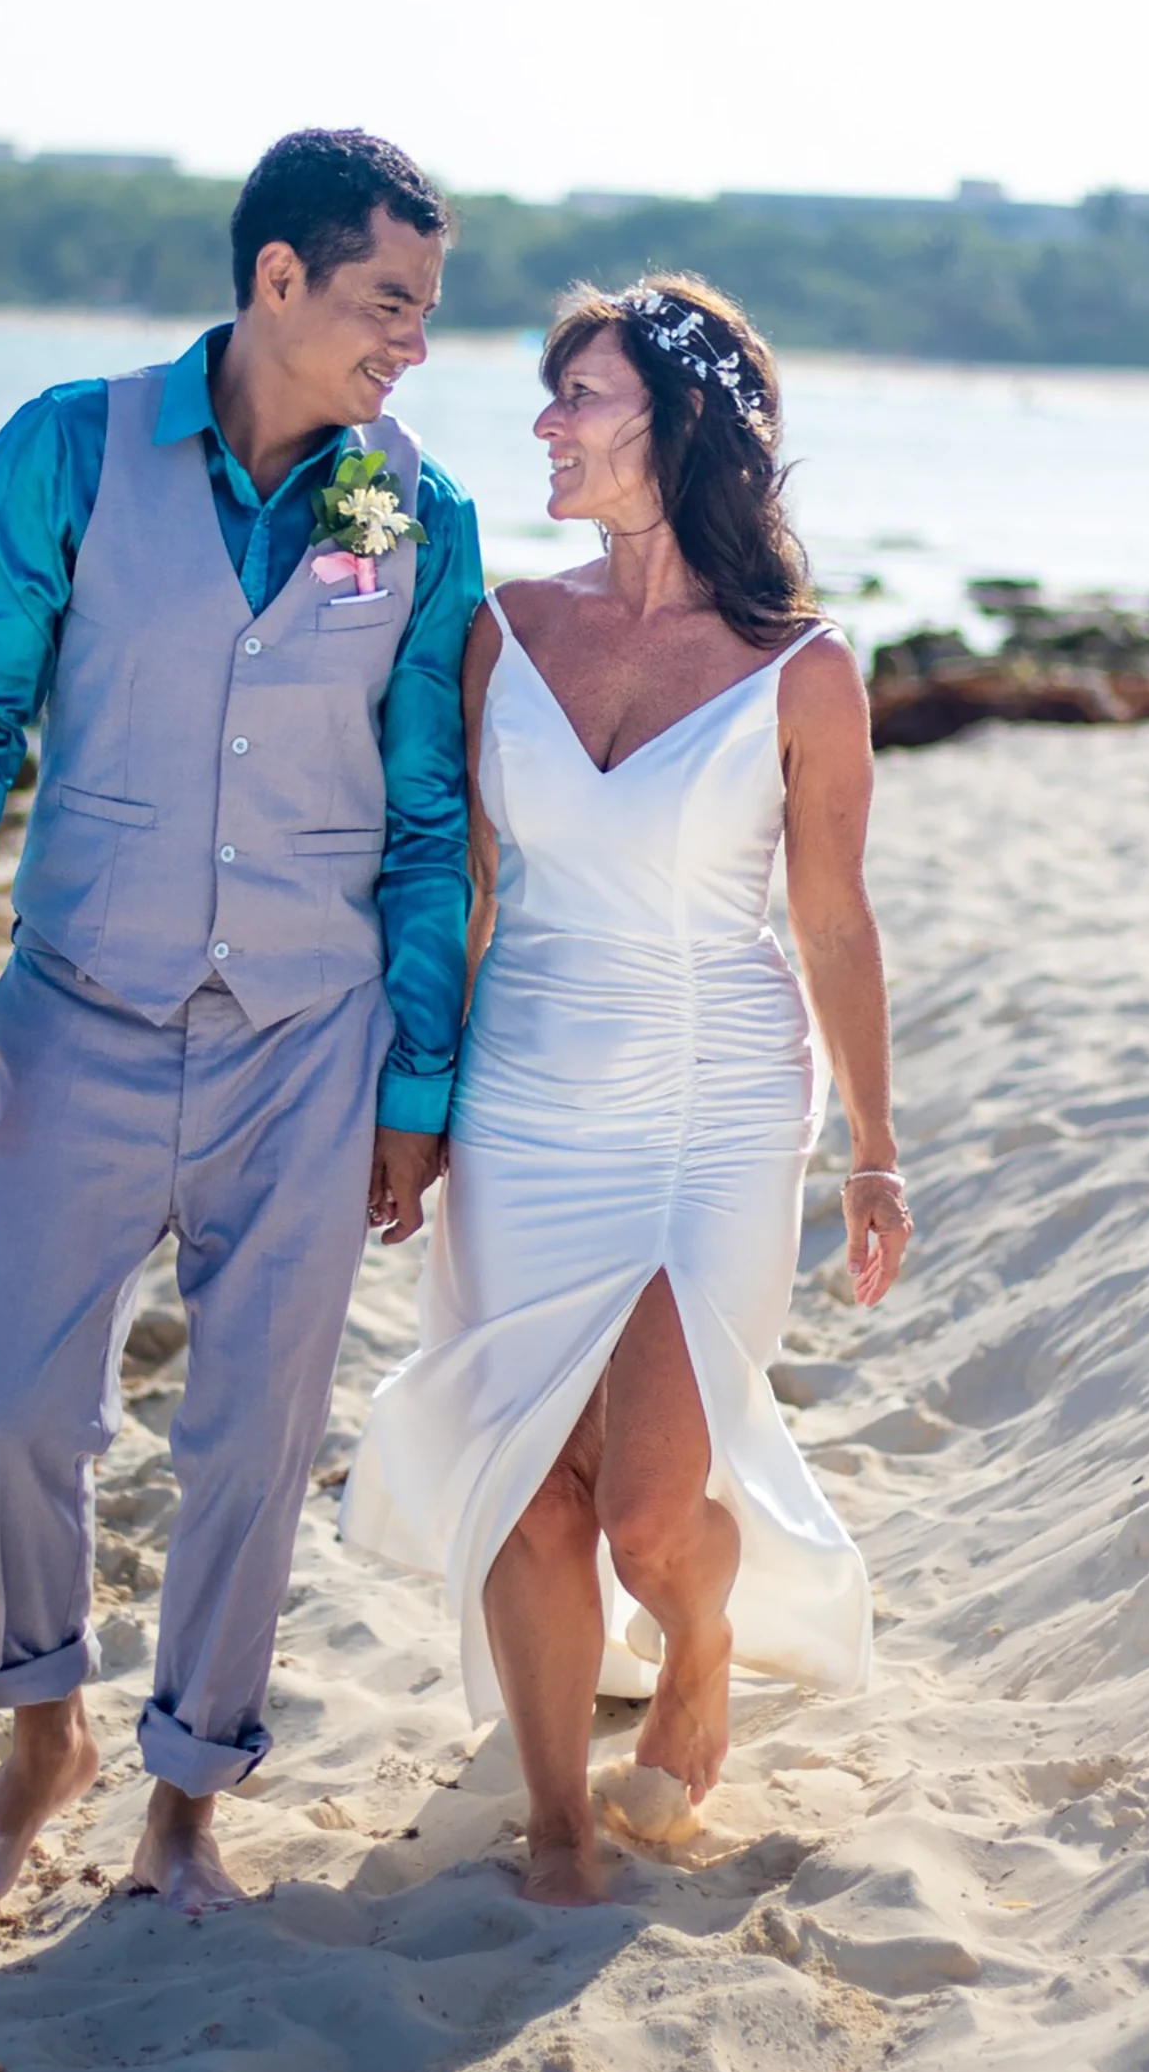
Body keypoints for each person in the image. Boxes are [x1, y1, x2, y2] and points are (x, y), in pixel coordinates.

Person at [0, 129, 483, 1916]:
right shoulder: (69, 448)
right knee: (8, 1403)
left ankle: (187, 1800)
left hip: (308, 1041)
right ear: (278, 278)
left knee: (250, 1439)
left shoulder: (416, 512)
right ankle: (40, 1737)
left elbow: (429, 817)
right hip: (76, 1008)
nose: (413, 344)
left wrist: (418, 1081)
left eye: (428, 311)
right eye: (388, 301)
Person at [341, 274, 910, 1906]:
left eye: (580, 396)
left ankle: (698, 1644)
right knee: (531, 1484)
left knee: (652, 1513)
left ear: (680, 427)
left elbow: (831, 920)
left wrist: (876, 1151)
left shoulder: (800, 669)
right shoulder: (502, 630)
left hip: (714, 1110)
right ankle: (557, 1827)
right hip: (525, 1096)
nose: (546, 422)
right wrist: (413, 1101)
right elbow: (458, 886)